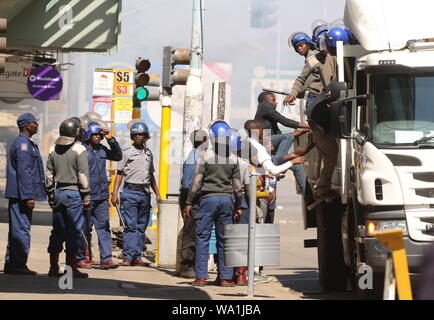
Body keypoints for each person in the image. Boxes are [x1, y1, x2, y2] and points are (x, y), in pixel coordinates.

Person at [284, 27, 345, 198]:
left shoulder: (329, 57)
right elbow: (303, 79)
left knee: (328, 151)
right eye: (297, 47)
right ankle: (322, 186)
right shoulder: (316, 58)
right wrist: (294, 93)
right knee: (329, 151)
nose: (299, 49)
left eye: (301, 45)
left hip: (323, 106)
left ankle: (321, 186)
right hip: (319, 109)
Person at [184, 120, 243, 287]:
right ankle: (225, 278)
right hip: (226, 201)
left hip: (207, 200)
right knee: (223, 239)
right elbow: (237, 187)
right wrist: (238, 206)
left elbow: (196, 183)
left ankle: (201, 277)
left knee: (202, 238)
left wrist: (189, 202)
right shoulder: (233, 159)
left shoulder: (204, 156)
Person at [111, 120, 161, 267]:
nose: (138, 136)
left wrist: (157, 193)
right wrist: (115, 194)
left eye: (141, 134)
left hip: (145, 193)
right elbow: (119, 174)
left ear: (146, 137)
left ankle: (137, 256)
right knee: (130, 226)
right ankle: (128, 256)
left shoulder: (149, 154)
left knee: (141, 227)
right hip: (130, 192)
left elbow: (150, 175)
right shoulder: (126, 152)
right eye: (136, 134)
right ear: (132, 136)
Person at [46, 118, 90, 278]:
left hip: (58, 193)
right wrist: (86, 195)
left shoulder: (52, 149)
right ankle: (70, 270)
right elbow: (82, 176)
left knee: (57, 231)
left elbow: (49, 176)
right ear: (77, 132)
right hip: (74, 195)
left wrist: (51, 194)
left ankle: (53, 267)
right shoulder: (79, 149)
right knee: (73, 232)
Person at [3, 113, 46, 275]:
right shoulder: (23, 145)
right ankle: (18, 264)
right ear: (27, 125)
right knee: (21, 230)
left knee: (17, 229)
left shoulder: (24, 143)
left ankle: (12, 263)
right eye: (35, 123)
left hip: (18, 194)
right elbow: (24, 172)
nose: (37, 125)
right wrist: (28, 195)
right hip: (21, 195)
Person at [76, 121, 122, 270]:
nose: (97, 137)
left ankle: (106, 259)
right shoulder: (81, 150)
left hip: (102, 197)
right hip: (87, 195)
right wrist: (82, 194)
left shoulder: (102, 149)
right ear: (88, 135)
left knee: (103, 227)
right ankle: (83, 257)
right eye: (95, 135)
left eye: (99, 135)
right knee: (84, 228)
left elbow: (117, 156)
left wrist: (110, 139)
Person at [178, 129, 209, 279]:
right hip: (191, 200)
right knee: (190, 233)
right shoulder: (194, 157)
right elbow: (187, 185)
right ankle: (187, 267)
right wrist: (188, 203)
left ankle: (196, 267)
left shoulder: (201, 156)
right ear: (204, 139)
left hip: (196, 200)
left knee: (198, 234)